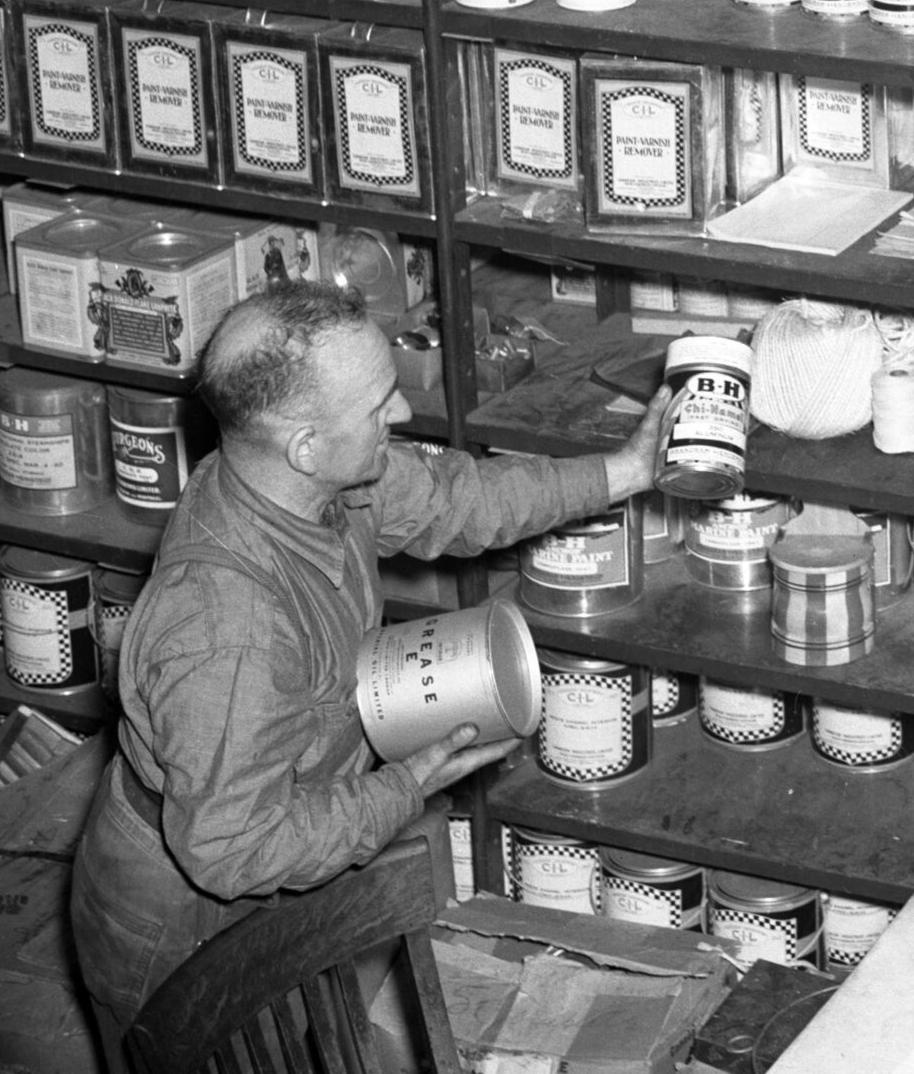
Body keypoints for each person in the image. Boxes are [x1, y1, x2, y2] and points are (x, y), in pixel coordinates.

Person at [71, 281, 672, 1048]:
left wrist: (623, 472)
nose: (400, 414)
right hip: (183, 908)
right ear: (306, 445)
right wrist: (406, 786)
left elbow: (463, 500)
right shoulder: (228, 627)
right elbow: (232, 850)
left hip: (262, 820)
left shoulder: (311, 481)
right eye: (377, 405)